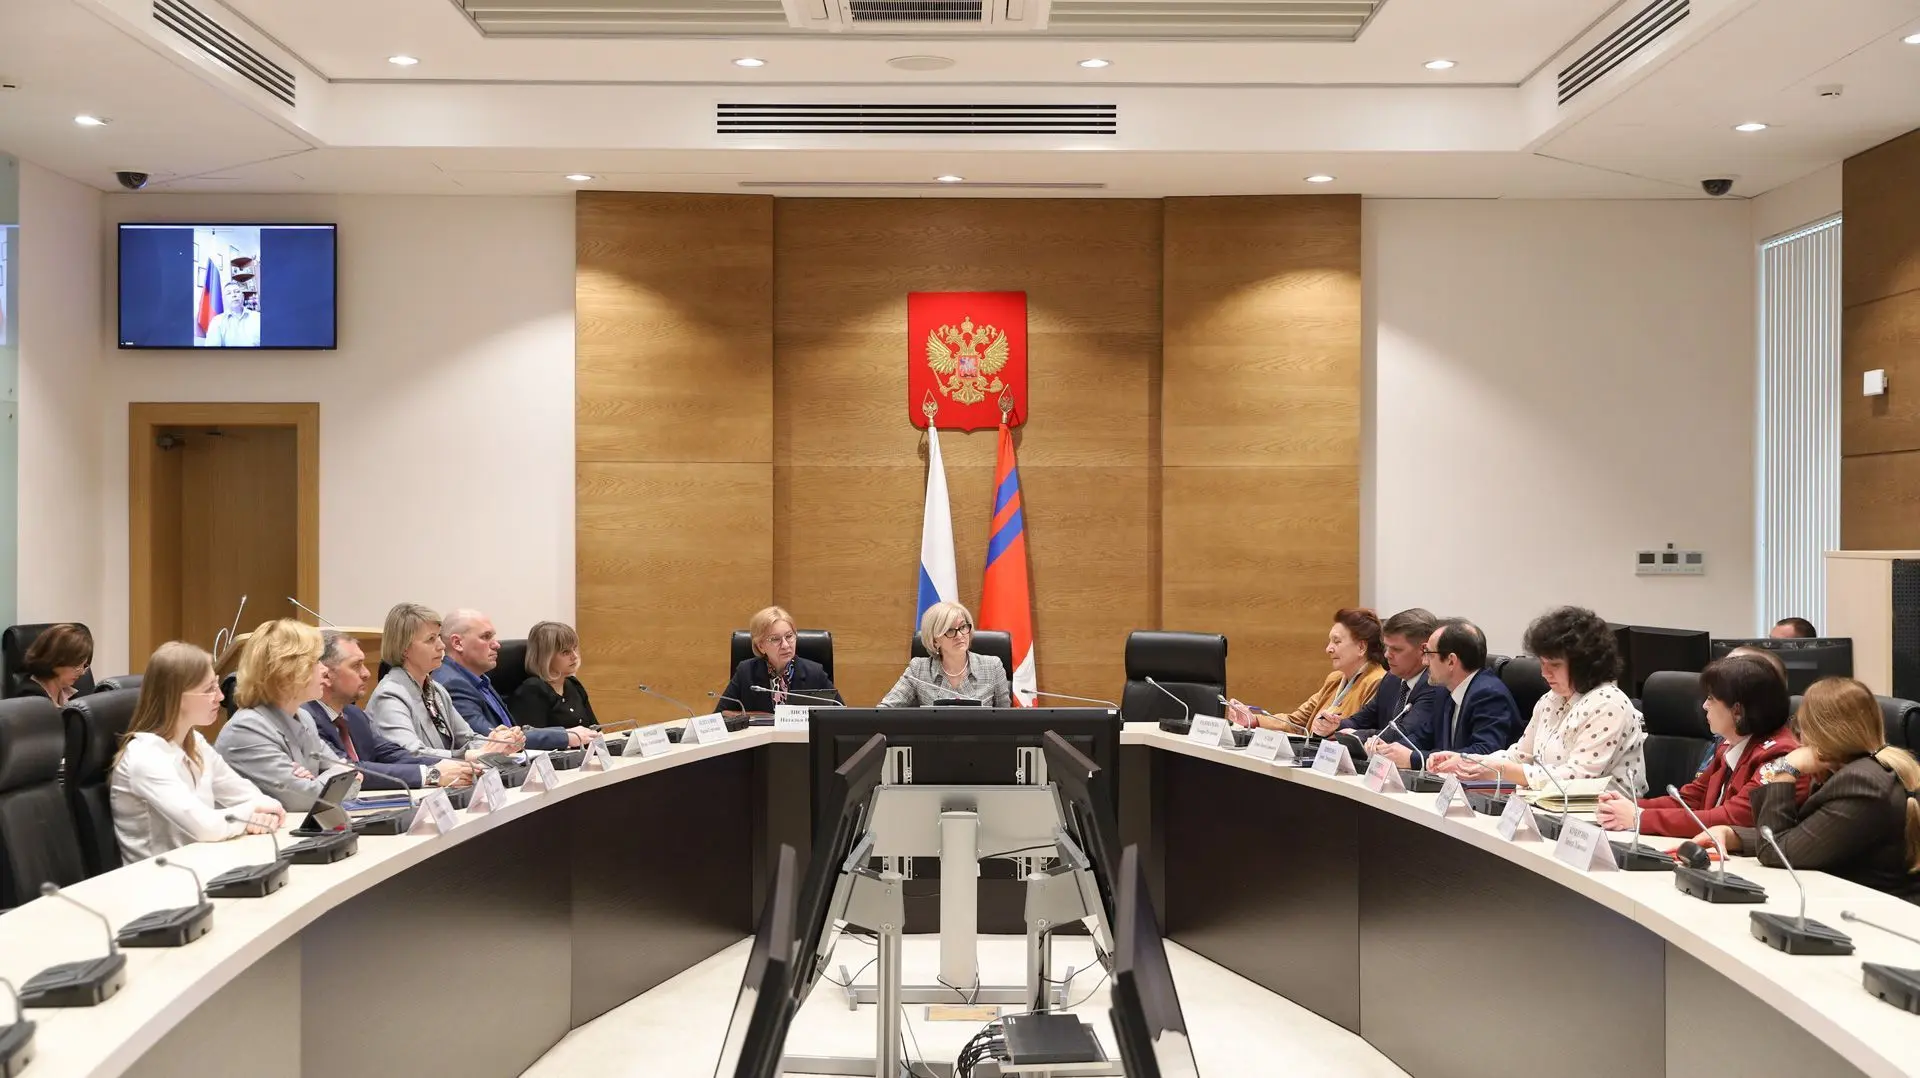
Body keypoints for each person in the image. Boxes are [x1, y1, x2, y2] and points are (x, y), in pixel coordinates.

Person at [1701, 677, 1920, 899]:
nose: (1799, 736)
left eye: (1801, 725)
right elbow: (1807, 834)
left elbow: (1775, 853)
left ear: (1819, 731)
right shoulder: (1854, 772)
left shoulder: (1860, 783)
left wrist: (1785, 769)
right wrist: (1734, 836)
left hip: (1878, 912)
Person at [1430, 605, 1647, 796]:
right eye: (1542, 663)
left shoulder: (1608, 704)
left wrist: (1501, 770)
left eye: (1554, 665)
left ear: (1584, 664)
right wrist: (1467, 761)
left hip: (1605, 819)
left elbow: (1576, 778)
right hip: (1547, 807)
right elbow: (1520, 755)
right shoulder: (1550, 700)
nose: (1544, 673)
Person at [111, 641, 284, 861]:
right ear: (176, 696)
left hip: (202, 863)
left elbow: (249, 795)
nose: (220, 697)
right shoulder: (145, 757)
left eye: (217, 684)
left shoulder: (195, 742)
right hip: (161, 877)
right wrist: (253, 811)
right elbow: (206, 827)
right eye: (209, 689)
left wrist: (260, 811)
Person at [1595, 655, 1803, 837]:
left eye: (1711, 699)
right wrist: (1628, 805)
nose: (1704, 705)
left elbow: (1731, 817)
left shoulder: (1779, 755)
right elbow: (1689, 800)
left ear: (1737, 711)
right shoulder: (1730, 745)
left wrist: (1639, 818)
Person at [306, 630, 473, 791]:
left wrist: (459, 764)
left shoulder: (354, 715)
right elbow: (348, 770)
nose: (366, 673)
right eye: (356, 666)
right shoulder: (306, 719)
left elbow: (393, 754)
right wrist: (432, 774)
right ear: (325, 674)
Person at [214, 619, 349, 812]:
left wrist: (326, 779)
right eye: (315, 661)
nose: (325, 669)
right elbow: (305, 800)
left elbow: (350, 777)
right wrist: (337, 775)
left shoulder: (304, 717)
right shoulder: (246, 730)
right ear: (287, 670)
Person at [367, 602, 520, 762]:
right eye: (431, 639)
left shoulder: (435, 689)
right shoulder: (390, 695)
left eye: (439, 637)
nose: (441, 646)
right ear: (404, 648)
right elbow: (411, 754)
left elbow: (467, 739)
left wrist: (499, 744)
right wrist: (468, 755)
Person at [1365, 619, 1522, 767]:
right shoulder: (1444, 691)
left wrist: (1414, 758)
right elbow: (1424, 736)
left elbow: (1483, 753)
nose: (1424, 661)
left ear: (1451, 661)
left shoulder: (1488, 695)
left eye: (1429, 654)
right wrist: (1390, 750)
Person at [431, 609, 592, 750]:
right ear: (458, 643)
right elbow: (491, 738)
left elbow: (513, 730)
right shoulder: (452, 684)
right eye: (486, 637)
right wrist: (564, 736)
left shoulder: (480, 679)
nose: (496, 645)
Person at [1229, 609, 1384, 734]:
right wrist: (1253, 720)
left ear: (1361, 647)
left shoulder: (1377, 682)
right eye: (1330, 641)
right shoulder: (1335, 679)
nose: (1328, 649)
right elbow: (1295, 722)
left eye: (1337, 641)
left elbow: (1358, 733)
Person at [1326, 608, 1444, 740]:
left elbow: (1402, 734)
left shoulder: (1434, 684)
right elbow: (1362, 719)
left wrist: (1355, 734)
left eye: (1396, 649)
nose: (1387, 654)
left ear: (1423, 650)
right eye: (1387, 647)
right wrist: (1335, 725)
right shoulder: (1391, 679)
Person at [879, 601, 1009, 708]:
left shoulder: (992, 666)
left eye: (963, 627)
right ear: (935, 641)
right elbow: (885, 710)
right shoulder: (919, 669)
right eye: (950, 630)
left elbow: (1006, 719)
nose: (960, 635)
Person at [721, 606, 844, 711]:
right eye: (775, 639)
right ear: (761, 646)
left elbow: (840, 714)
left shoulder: (814, 673)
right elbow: (721, 716)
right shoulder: (746, 672)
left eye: (789, 636)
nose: (785, 645)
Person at [509, 621, 599, 729]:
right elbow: (531, 736)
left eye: (574, 648)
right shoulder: (533, 690)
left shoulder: (573, 684)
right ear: (545, 657)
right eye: (565, 652)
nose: (574, 656)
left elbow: (595, 729)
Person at [19, 623, 93, 706]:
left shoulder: (70, 694)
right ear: (54, 659)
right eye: (76, 666)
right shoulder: (30, 699)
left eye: (84, 665)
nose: (82, 672)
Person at [204, 280, 259, 347]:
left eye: (237, 292)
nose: (234, 295)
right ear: (224, 299)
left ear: (243, 296)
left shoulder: (258, 317)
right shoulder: (217, 321)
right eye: (229, 293)